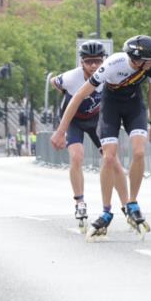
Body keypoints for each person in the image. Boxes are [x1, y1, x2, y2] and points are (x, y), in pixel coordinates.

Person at [51, 34, 151, 239]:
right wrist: (60, 130)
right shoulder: (112, 64)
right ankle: (106, 210)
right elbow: (78, 96)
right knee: (109, 157)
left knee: (139, 151)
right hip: (109, 108)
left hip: (134, 107)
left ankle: (132, 203)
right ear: (138, 59)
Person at [51, 40, 106, 231]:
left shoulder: (107, 74)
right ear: (81, 62)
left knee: (110, 158)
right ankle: (80, 201)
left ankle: (122, 205)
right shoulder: (72, 77)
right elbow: (54, 81)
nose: (93, 66)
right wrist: (66, 91)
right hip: (74, 120)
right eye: (89, 61)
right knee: (76, 157)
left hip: (96, 120)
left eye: (98, 61)